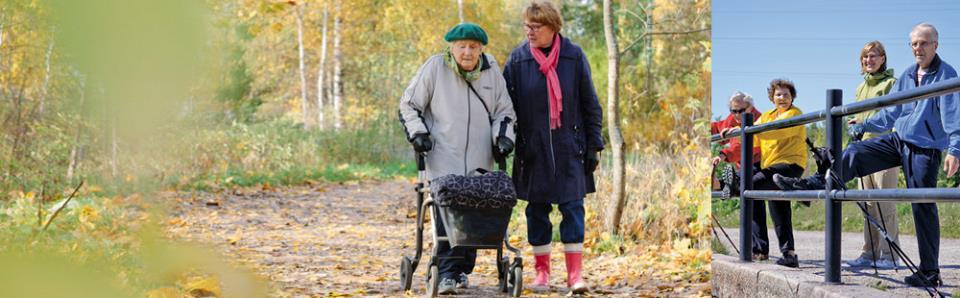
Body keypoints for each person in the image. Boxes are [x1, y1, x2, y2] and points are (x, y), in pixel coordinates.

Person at [775, 23, 959, 287]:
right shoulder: (908, 75)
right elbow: (891, 111)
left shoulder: (946, 73)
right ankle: (819, 181)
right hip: (899, 139)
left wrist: (955, 148)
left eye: (924, 43)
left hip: (925, 146)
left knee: (922, 204)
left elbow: (953, 114)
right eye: (914, 44)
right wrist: (865, 125)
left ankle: (930, 271)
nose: (918, 48)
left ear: (935, 45)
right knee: (855, 152)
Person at [397, 23, 516, 295]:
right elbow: (409, 105)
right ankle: (447, 272)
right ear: (451, 47)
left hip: (480, 160)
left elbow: (505, 112)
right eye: (461, 46)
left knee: (474, 217)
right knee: (448, 214)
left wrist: (503, 137)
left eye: (473, 47)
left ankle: (460, 270)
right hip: (442, 158)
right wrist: (418, 133)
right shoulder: (435, 67)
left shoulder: (491, 71)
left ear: (481, 48)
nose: (467, 52)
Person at [502, 1, 603, 293]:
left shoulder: (573, 56)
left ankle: (575, 276)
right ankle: (542, 273)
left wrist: (594, 144)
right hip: (532, 149)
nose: (530, 32)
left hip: (569, 146)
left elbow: (590, 104)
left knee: (573, 208)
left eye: (536, 27)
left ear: (553, 27)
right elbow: (505, 107)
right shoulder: (518, 59)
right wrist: (506, 138)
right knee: (537, 210)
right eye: (527, 27)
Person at [724, 79, 807, 268]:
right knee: (779, 208)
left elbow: (775, 132)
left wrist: (744, 130)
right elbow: (753, 139)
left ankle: (734, 185)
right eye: (778, 94)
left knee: (750, 185)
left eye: (786, 94)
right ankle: (789, 254)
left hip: (790, 165)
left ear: (792, 96)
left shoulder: (795, 114)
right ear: (772, 98)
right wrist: (736, 133)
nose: (783, 98)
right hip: (771, 167)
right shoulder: (768, 116)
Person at [845, 40, 901, 270]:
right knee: (867, 204)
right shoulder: (860, 87)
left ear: (883, 58)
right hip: (863, 149)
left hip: (883, 148)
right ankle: (870, 253)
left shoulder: (891, 83)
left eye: (874, 56)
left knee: (884, 203)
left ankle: (891, 256)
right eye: (865, 57)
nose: (869, 60)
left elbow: (894, 114)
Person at [712, 91, 762, 169]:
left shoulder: (758, 120)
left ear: (750, 107)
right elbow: (719, 127)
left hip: (757, 163)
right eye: (734, 111)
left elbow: (743, 145)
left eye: (741, 111)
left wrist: (724, 154)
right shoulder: (733, 117)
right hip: (741, 165)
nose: (737, 114)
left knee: (741, 178)